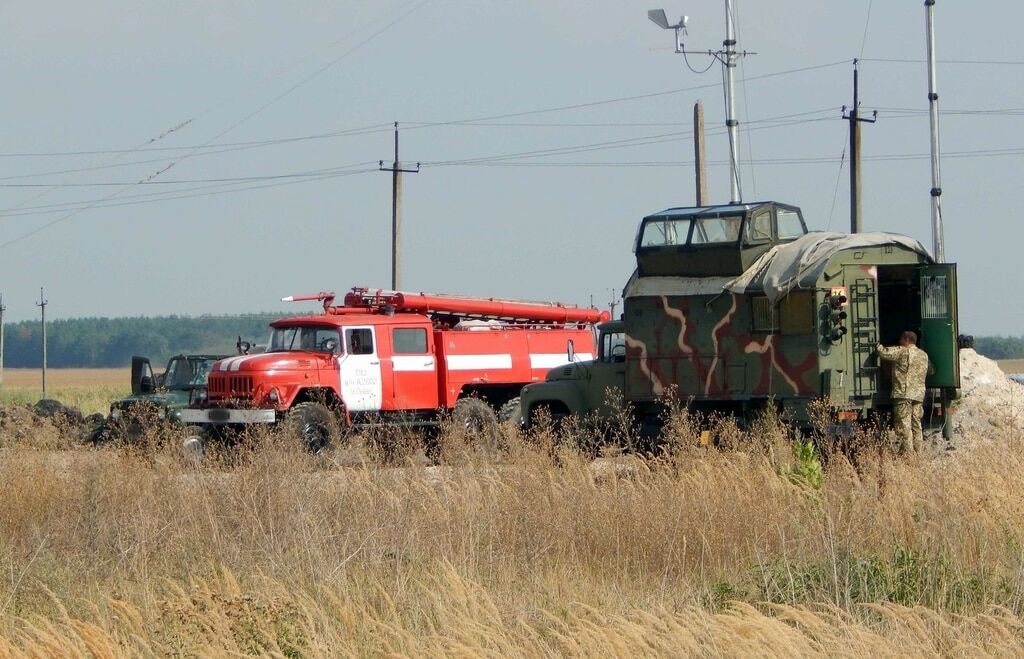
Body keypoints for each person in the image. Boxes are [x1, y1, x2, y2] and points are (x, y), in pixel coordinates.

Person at [877, 331, 932, 454]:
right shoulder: (923, 355)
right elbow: (931, 370)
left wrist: (877, 344)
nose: (899, 342)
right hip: (918, 395)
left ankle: (907, 456)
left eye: (901, 339)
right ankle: (918, 453)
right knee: (916, 425)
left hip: (903, 394)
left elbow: (883, 353)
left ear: (906, 339)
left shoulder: (902, 351)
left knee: (904, 426)